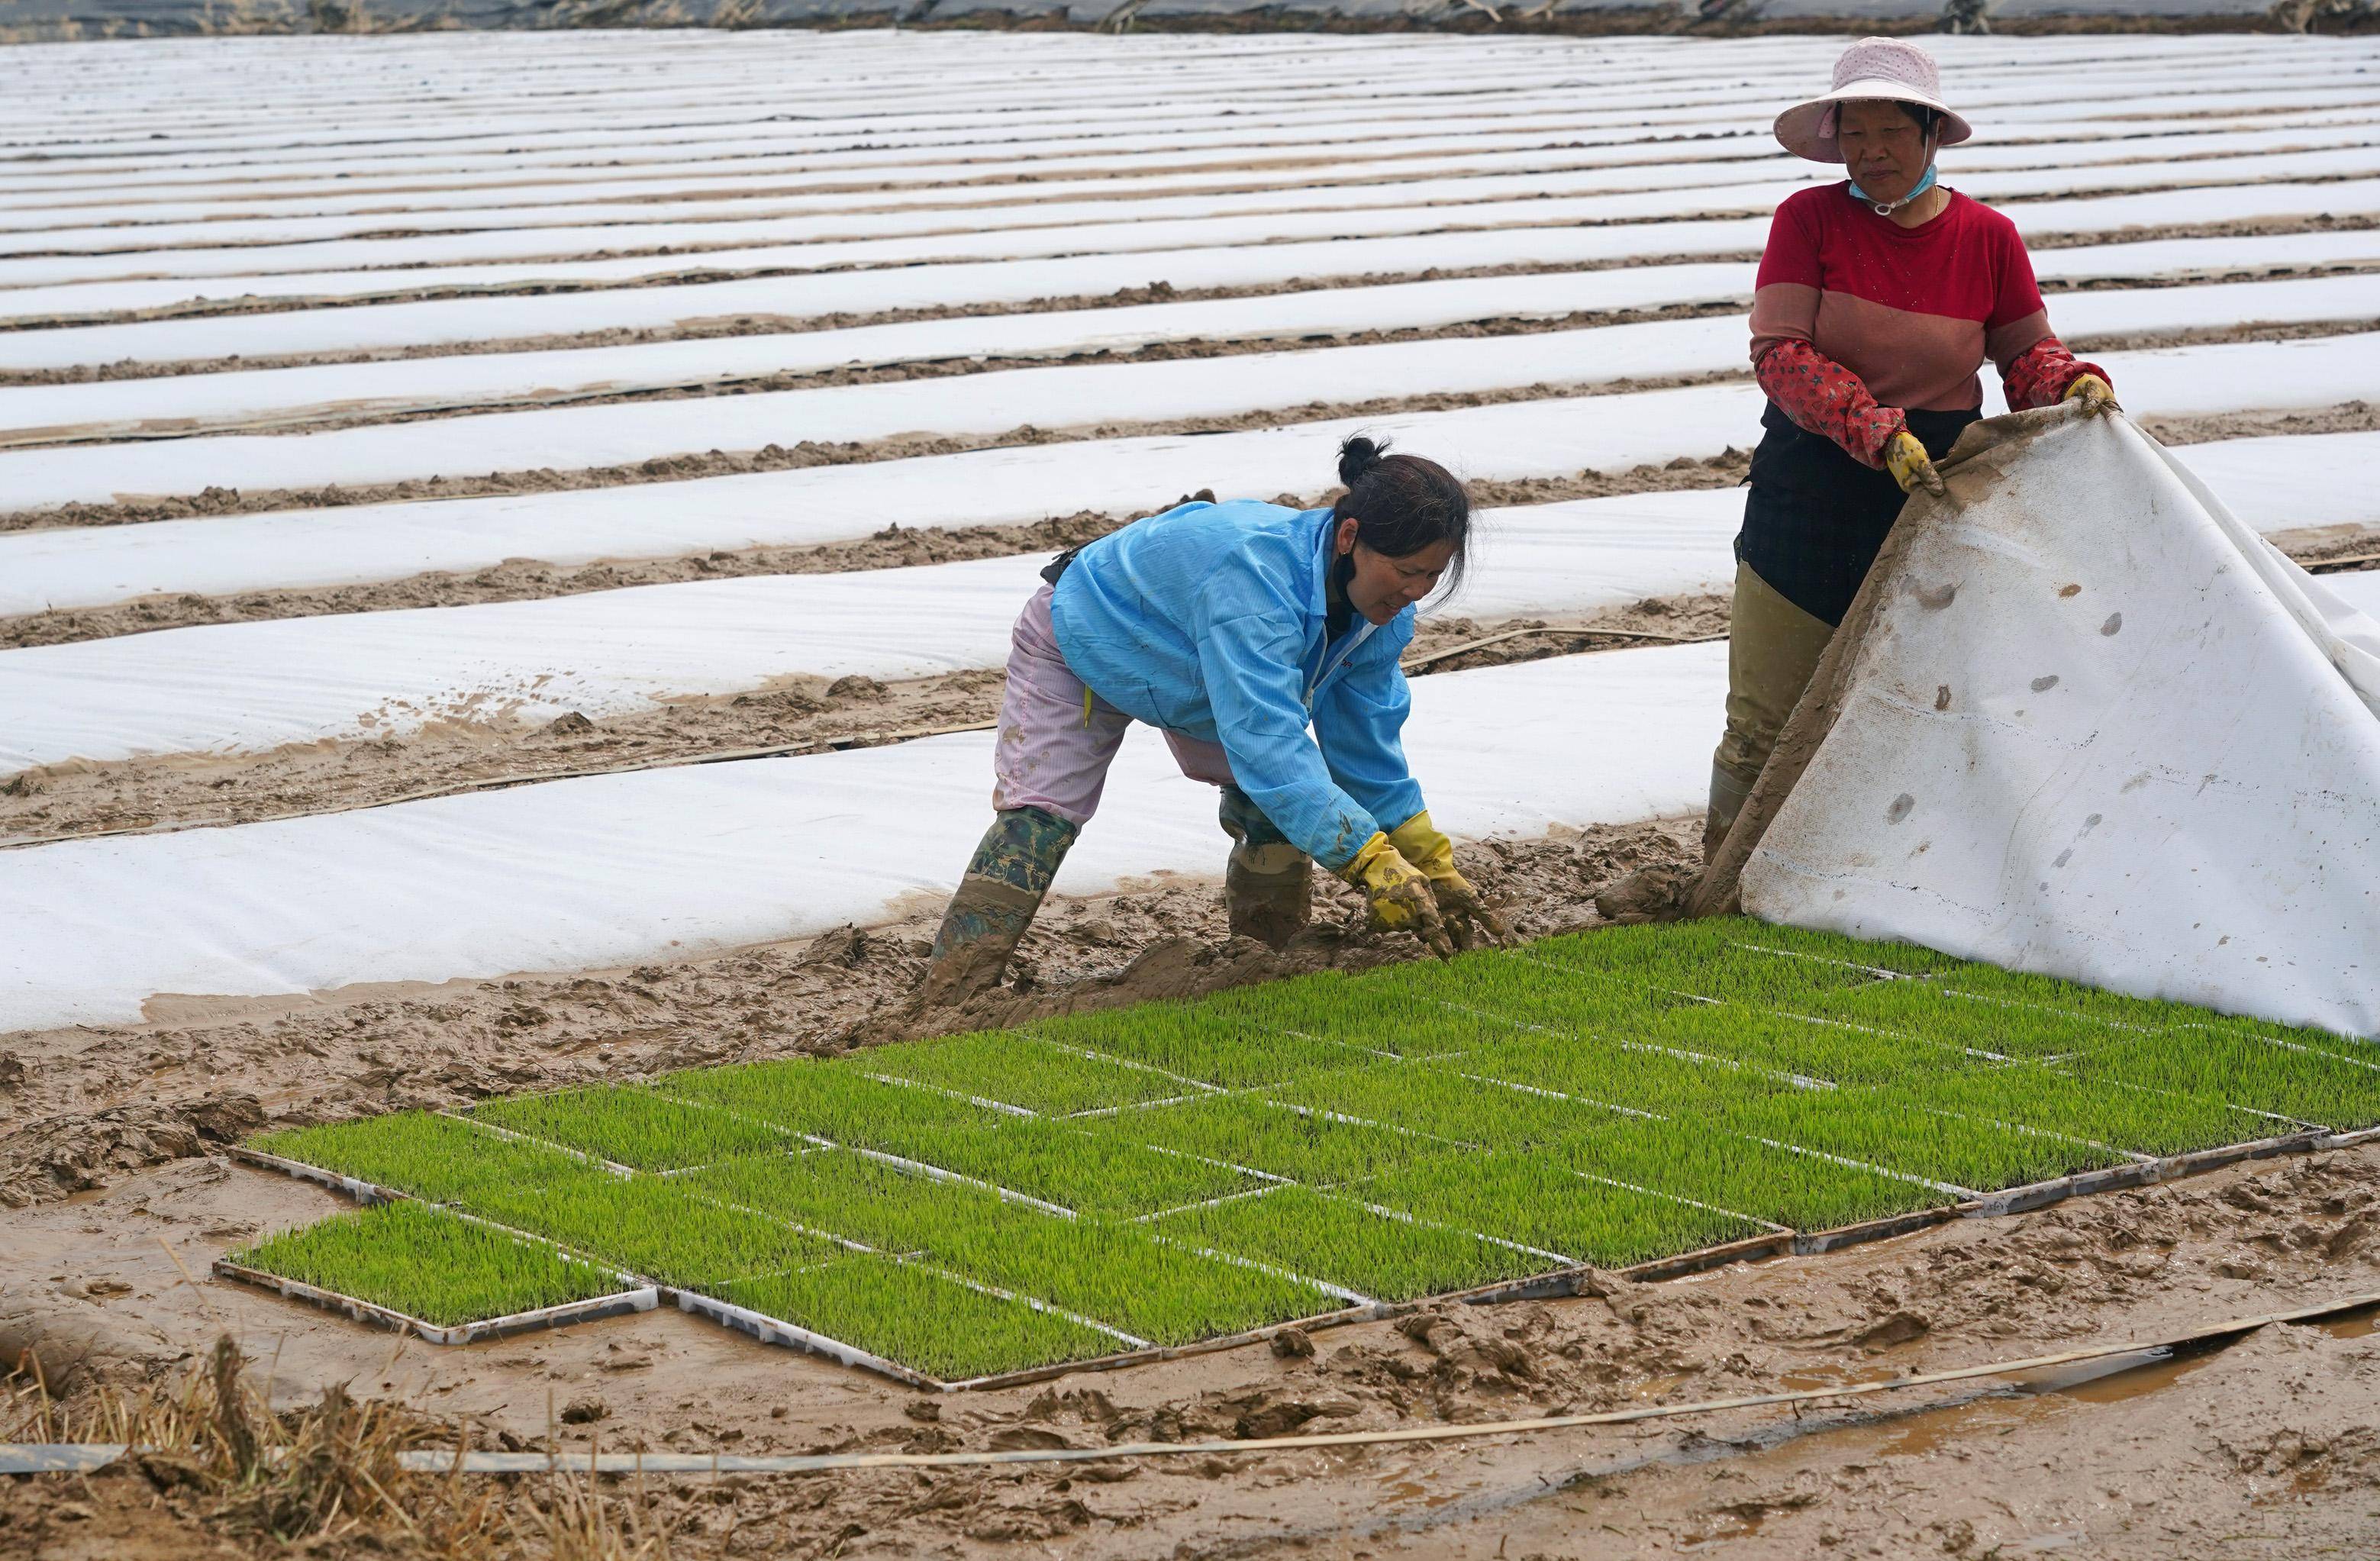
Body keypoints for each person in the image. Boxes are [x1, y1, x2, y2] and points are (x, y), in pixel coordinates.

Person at [1706, 37, 2117, 856]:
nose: (1869, 152)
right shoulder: (1808, 220)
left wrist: (2068, 384)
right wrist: (1869, 426)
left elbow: (2023, 355)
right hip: (1810, 485)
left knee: (1911, 705)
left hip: (1929, 496)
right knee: (1764, 716)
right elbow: (1778, 353)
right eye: (1852, 135)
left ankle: (1882, 871)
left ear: (1930, 133)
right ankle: (1725, 879)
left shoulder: (1987, 236)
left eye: (1888, 132)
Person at [914, 437, 1509, 1005]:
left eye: (1433, 576)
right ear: (1349, 536)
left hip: (1197, 669)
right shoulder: (1255, 584)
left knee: (1276, 805)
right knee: (1038, 817)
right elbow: (1270, 744)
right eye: (1407, 570)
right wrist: (1370, 861)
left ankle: (1266, 966)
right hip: (1089, 637)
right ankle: (948, 997)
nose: (1416, 591)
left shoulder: (1382, 618)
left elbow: (1366, 748)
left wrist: (1430, 860)